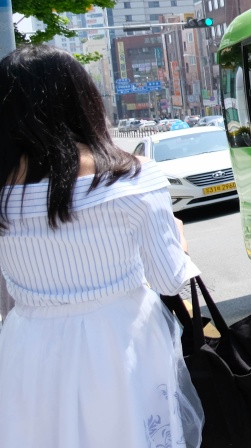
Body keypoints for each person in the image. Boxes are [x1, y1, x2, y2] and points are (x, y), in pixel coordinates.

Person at [0, 45, 203, 448]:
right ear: (83, 100)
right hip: (120, 343)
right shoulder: (133, 179)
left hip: (28, 348)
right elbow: (168, 279)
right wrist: (178, 236)